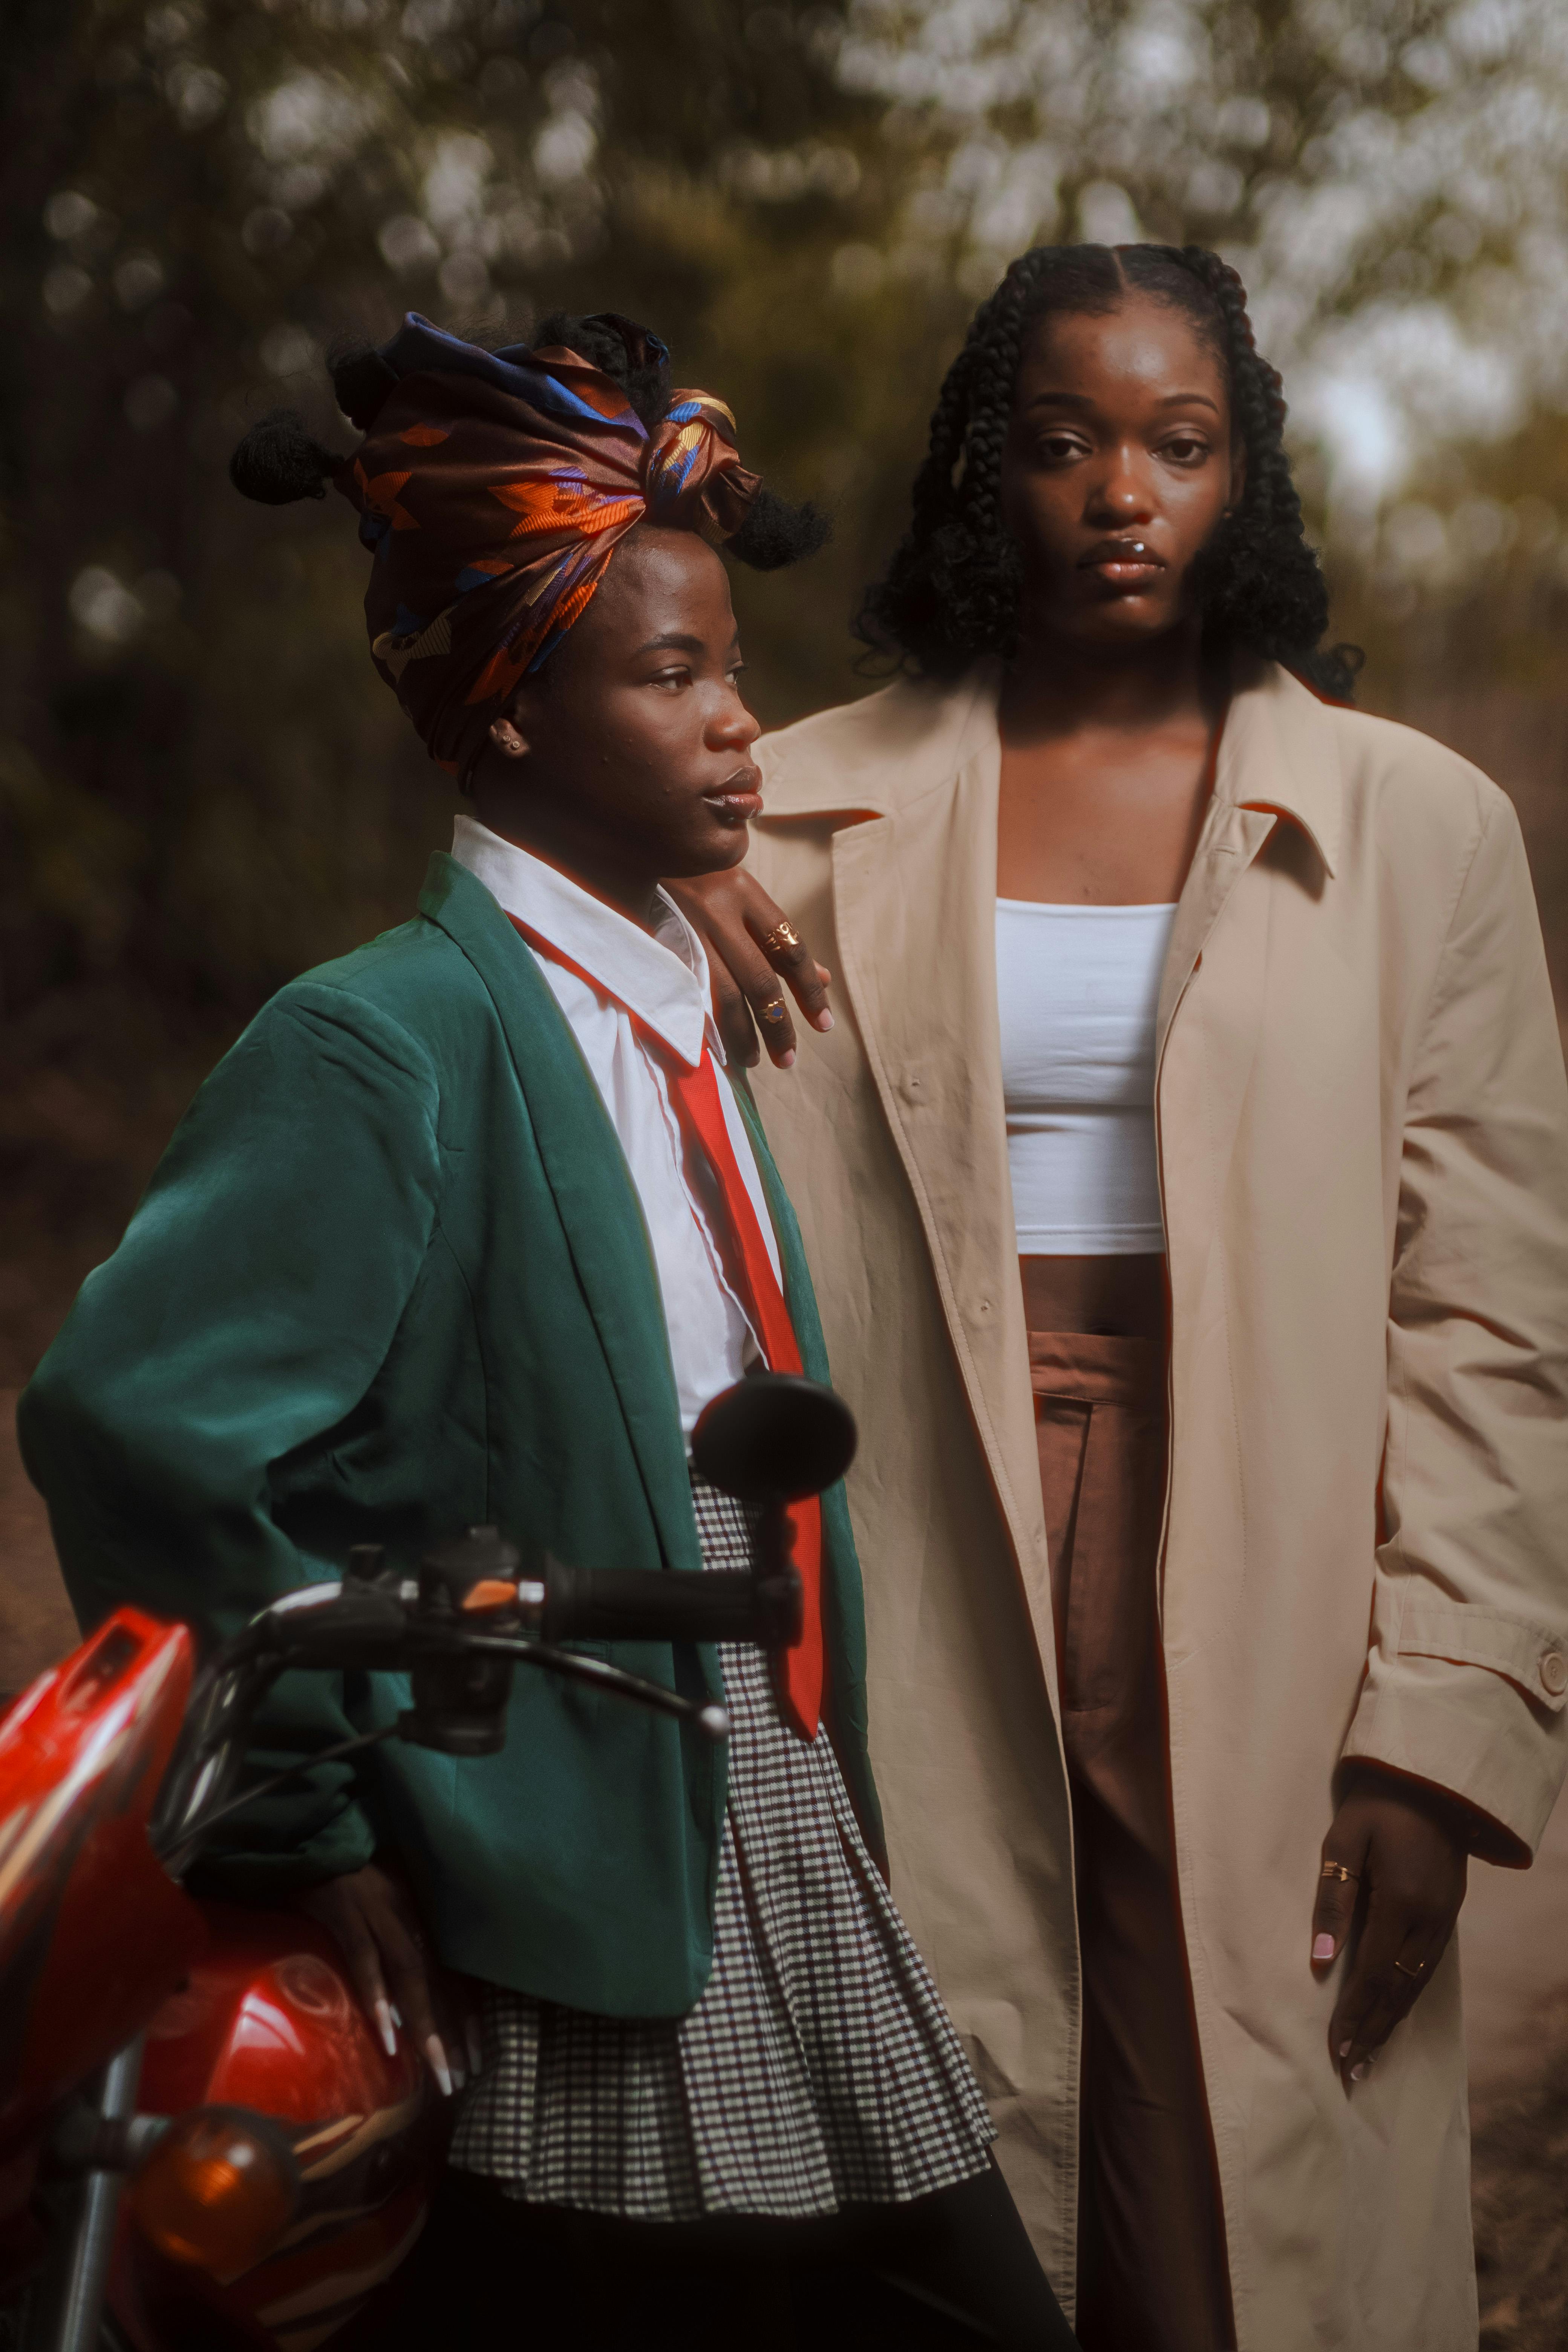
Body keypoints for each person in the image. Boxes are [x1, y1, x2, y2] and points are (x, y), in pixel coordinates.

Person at [18, 312, 1075, 2351]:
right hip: (555, 1801)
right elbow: (135, 1425)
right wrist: (306, 1814)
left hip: (753, 1757)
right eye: (670, 676)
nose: (738, 726)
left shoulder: (686, 1001)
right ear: (507, 711)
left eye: (733, 670)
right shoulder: (379, 1038)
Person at [669, 242, 1568, 2352]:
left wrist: (1441, 1737)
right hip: (901, 1521)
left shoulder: (1417, 823)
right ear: (987, 473)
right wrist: (676, 856)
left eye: (1180, 442)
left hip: (1258, 1528)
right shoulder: (774, 809)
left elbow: (1494, 1318)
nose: (1121, 492)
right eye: (1063, 444)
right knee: (948, 2150)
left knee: (1232, 2185)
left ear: (1245, 471)